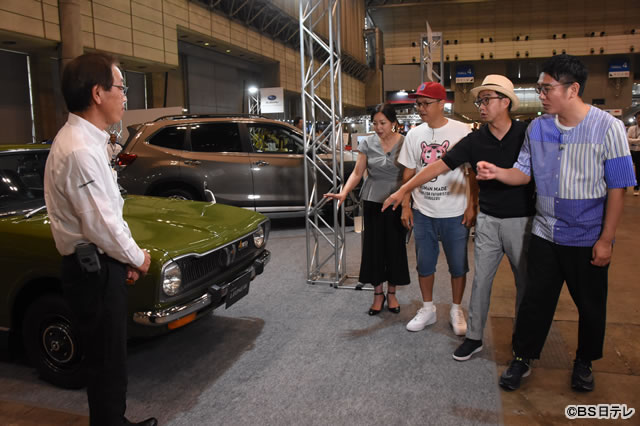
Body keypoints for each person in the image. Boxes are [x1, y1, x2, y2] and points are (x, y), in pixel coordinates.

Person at [475, 54, 636, 392]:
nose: (541, 95)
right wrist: (497, 172)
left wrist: (606, 239)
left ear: (572, 89)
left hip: (587, 236)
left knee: (590, 305)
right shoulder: (538, 128)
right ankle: (523, 357)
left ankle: (584, 362)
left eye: (547, 88)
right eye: (540, 88)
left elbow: (618, 186)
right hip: (545, 233)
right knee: (535, 301)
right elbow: (523, 173)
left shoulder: (608, 127)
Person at [383, 75, 535, 360]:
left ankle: (524, 346)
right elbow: (439, 165)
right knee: (480, 282)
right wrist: (404, 191)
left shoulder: (527, 134)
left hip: (520, 220)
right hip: (487, 219)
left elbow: (528, 174)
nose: (481, 105)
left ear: (505, 102)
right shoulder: (475, 139)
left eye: (486, 100)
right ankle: (474, 337)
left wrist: (472, 202)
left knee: (524, 283)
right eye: (479, 101)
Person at [44, 52, 156, 426]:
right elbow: (101, 223)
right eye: (121, 87)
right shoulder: (79, 149)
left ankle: (114, 420)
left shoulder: (88, 142)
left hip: (100, 263)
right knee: (106, 360)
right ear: (97, 93)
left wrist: (122, 258)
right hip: (92, 269)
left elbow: (107, 212)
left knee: (110, 358)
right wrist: (136, 257)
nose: (125, 96)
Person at [392, 81, 478, 335]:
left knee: (458, 265)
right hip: (423, 211)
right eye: (418, 104)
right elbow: (408, 173)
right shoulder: (414, 135)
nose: (421, 108)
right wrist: (406, 205)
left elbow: (471, 173)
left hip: (455, 210)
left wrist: (472, 205)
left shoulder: (462, 131)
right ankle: (428, 308)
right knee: (424, 263)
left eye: (426, 103)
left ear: (442, 104)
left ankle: (456, 308)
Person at [324, 103, 410, 314]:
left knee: (395, 248)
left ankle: (392, 293)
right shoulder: (368, 143)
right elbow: (357, 172)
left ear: (393, 123)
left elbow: (411, 175)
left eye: (383, 123)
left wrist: (407, 203)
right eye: (375, 123)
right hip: (372, 200)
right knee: (374, 248)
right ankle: (378, 294)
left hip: (396, 200)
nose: (378, 127)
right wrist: (344, 192)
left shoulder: (405, 142)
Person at [626, 110, 640, 195]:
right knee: (626, 167)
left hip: (639, 152)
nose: (639, 120)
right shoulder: (631, 128)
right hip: (630, 151)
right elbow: (627, 139)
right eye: (638, 118)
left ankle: (636, 187)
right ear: (636, 119)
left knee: (638, 169)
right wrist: (635, 140)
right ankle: (624, 186)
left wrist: (632, 140)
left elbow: (638, 141)